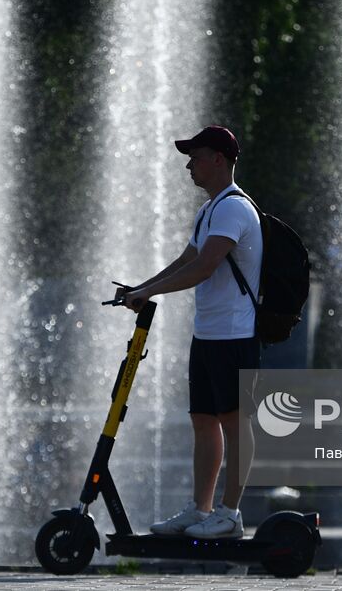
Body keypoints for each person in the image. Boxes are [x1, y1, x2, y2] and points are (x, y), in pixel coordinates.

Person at [122, 125, 263, 539]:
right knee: (204, 421)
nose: (189, 165)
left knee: (236, 424)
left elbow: (205, 267)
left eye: (196, 156)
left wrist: (149, 292)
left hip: (236, 335)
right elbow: (187, 258)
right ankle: (202, 511)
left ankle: (231, 513)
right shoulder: (208, 211)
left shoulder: (235, 208)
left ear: (218, 159)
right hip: (208, 334)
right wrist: (140, 288)